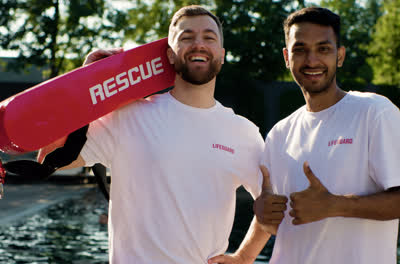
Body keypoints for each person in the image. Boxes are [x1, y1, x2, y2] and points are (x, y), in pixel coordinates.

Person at [38, 5, 270, 263]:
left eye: (209, 37)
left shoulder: (244, 133)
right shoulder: (129, 115)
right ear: (170, 55)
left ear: (222, 54)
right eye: (186, 37)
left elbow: (272, 202)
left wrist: (245, 257)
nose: (198, 44)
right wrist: (86, 87)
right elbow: (51, 159)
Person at [253, 6, 400, 264]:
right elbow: (283, 224)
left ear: (340, 56)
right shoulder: (279, 133)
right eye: (300, 50)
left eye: (323, 49)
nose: (312, 61)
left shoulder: (374, 111)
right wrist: (263, 220)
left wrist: (335, 205)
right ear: (287, 57)